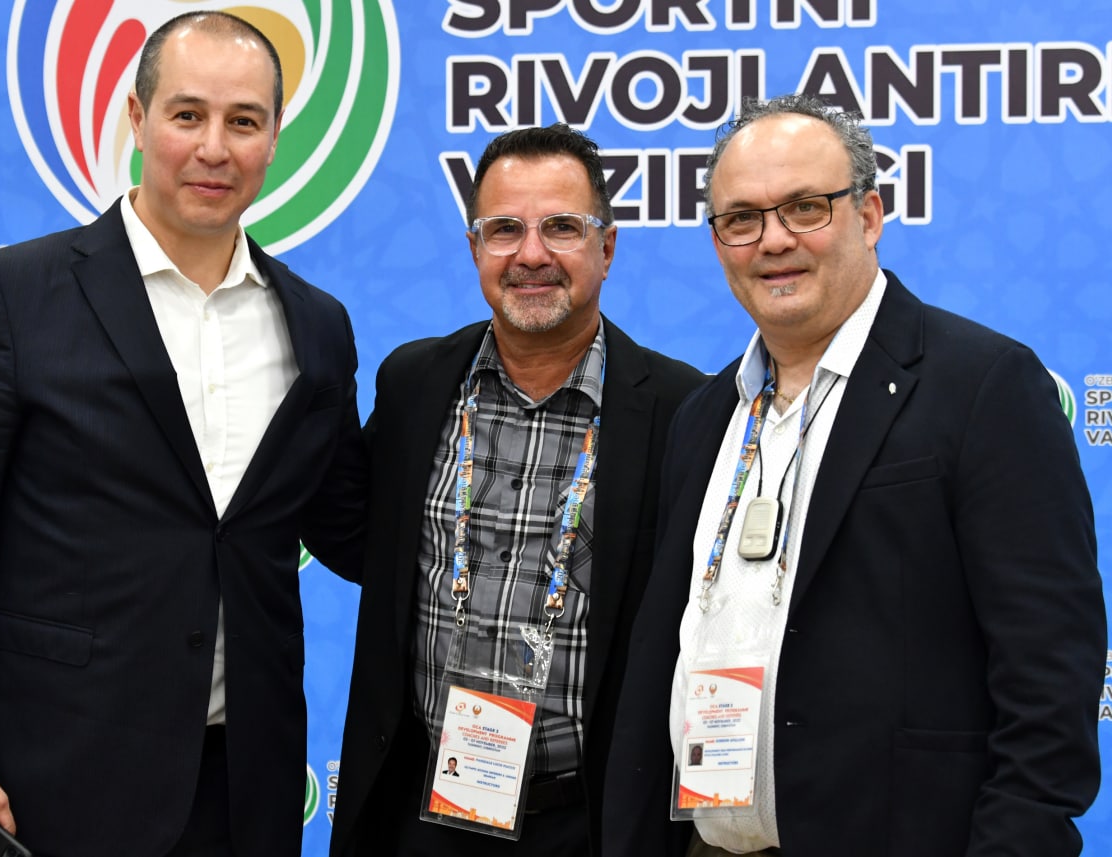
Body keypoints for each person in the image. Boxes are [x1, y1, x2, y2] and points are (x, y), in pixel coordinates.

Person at [0, 11, 365, 857]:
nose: (214, 148)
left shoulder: (316, 325)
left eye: (243, 121)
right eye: (188, 115)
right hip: (55, 781)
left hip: (247, 787)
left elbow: (350, 526)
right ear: (137, 121)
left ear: (273, 138)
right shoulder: (13, 296)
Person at [603, 93, 1104, 857]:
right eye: (741, 218)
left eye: (806, 207)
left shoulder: (983, 386)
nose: (773, 239)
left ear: (869, 216)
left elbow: (1050, 675)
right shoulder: (705, 414)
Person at [329, 124, 706, 857]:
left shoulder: (682, 409)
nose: (531, 254)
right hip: (421, 811)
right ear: (474, 248)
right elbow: (362, 543)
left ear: (607, 248)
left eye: (561, 227)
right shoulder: (413, 384)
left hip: (589, 820)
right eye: (504, 229)